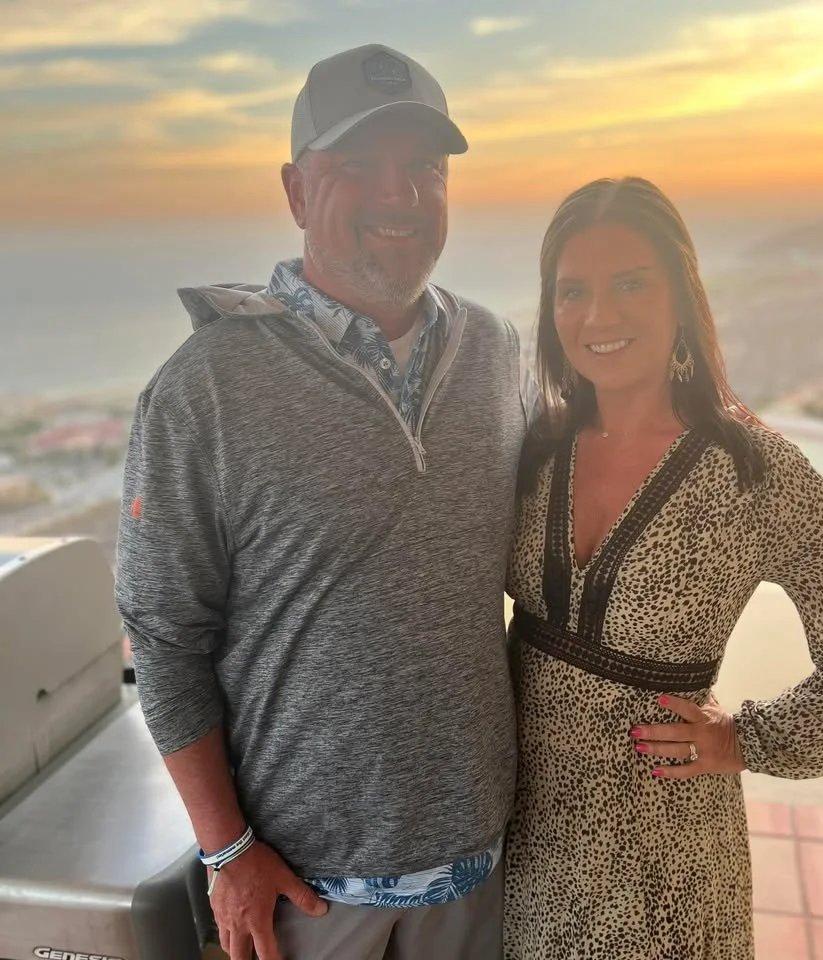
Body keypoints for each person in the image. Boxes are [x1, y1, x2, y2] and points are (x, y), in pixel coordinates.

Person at [115, 44, 530, 960]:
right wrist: (227, 851)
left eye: (425, 167)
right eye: (357, 167)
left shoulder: (500, 355)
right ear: (298, 192)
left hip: (479, 871)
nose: (402, 195)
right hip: (305, 895)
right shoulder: (206, 387)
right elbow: (162, 633)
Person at [502, 177, 823, 959]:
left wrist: (750, 739)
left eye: (630, 282)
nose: (598, 315)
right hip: (519, 843)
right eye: (573, 291)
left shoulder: (750, 470)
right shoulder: (533, 450)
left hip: (662, 861)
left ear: (680, 294)